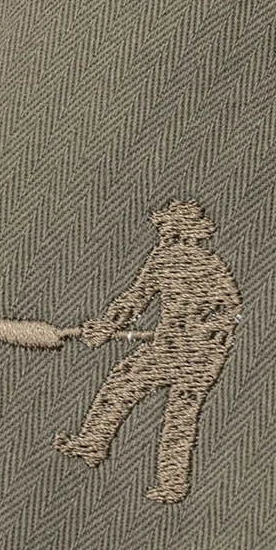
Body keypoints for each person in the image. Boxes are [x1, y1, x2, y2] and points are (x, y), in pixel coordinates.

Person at [54, 199, 241, 501]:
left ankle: (96, 445)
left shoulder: (180, 261)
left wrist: (103, 328)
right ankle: (168, 482)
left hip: (188, 351)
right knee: (175, 411)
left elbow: (135, 301)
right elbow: (228, 308)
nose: (164, 234)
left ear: (176, 231)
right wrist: (104, 326)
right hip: (191, 351)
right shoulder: (200, 263)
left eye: (167, 228)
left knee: (132, 386)